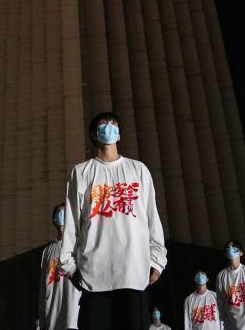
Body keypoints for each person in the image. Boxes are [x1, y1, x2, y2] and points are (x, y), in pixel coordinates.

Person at [60, 112, 168, 330]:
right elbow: (72, 223)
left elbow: (151, 218)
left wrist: (157, 259)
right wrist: (70, 266)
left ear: (119, 135)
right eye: (103, 123)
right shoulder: (81, 172)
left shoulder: (138, 169)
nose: (109, 126)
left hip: (133, 273)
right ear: (93, 134)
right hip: (94, 276)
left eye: (114, 124)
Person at [39, 203, 81, 330]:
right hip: (52, 319)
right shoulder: (47, 251)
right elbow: (43, 287)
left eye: (64, 212)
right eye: (58, 212)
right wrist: (41, 321)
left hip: (74, 319)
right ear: (54, 220)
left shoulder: (79, 246)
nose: (61, 214)